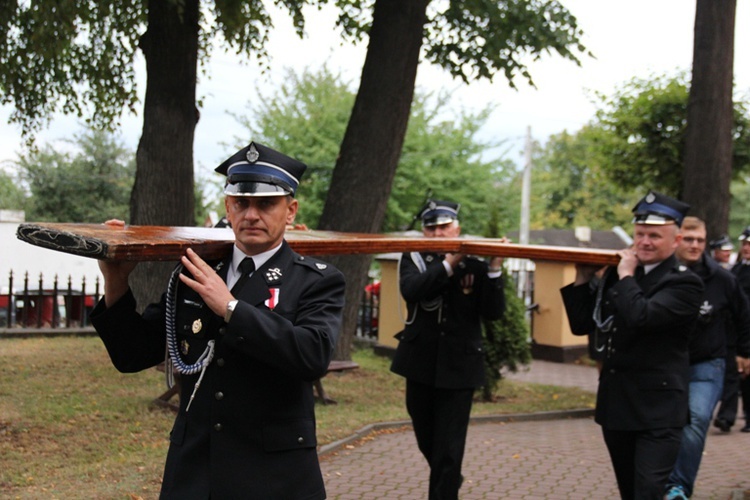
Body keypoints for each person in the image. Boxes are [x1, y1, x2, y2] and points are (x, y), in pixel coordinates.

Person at [90, 142, 346, 499]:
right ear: (228, 206)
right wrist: (116, 282)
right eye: (241, 203)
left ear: (290, 211)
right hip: (195, 471)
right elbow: (132, 354)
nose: (251, 214)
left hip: (272, 476)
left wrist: (231, 308)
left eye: (266, 203)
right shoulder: (197, 273)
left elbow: (312, 355)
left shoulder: (315, 280)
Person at [560, 190, 703, 499]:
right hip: (619, 404)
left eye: (654, 235)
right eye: (640, 234)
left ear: (676, 240)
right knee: (630, 490)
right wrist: (583, 279)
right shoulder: (620, 272)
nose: (644, 242)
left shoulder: (684, 282)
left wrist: (625, 277)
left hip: (659, 410)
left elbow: (642, 317)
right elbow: (582, 324)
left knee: (649, 490)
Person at [390, 199, 506, 500]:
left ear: (457, 229)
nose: (438, 233)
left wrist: (494, 269)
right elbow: (412, 290)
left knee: (450, 449)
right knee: (426, 438)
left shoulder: (475, 264)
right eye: (431, 228)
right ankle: (449, 477)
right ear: (423, 232)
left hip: (459, 367)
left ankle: (445, 483)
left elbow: (493, 313)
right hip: (419, 362)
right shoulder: (414, 259)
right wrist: (448, 265)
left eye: (444, 227)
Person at [663, 217, 750, 500]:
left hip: (707, 363)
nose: (695, 245)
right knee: (662, 425)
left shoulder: (722, 279)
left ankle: (678, 487)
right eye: (689, 239)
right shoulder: (660, 274)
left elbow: (743, 315)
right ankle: (657, 481)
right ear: (676, 240)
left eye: (700, 240)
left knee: (696, 419)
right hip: (665, 363)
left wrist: (744, 351)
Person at [715, 225, 750, 433]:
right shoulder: (736, 270)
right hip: (734, 329)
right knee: (731, 373)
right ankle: (726, 416)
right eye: (745, 244)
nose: (746, 248)